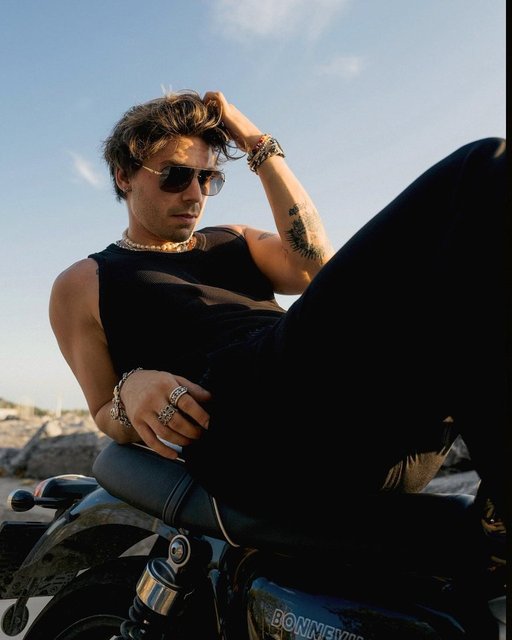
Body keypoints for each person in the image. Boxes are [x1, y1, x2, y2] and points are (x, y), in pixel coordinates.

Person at [49, 90, 506, 554]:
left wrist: (258, 145)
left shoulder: (234, 238)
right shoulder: (85, 280)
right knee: (482, 167)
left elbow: (310, 268)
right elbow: (103, 409)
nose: (195, 194)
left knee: (472, 271)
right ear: (124, 175)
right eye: (175, 176)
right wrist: (130, 388)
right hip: (252, 424)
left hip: (369, 424)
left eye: (208, 178)